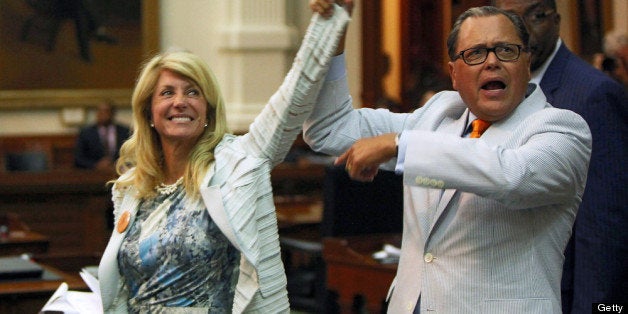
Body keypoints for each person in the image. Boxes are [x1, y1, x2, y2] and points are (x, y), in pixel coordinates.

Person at [308, 3, 591, 313]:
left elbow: (513, 175)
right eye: (475, 54)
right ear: (454, 74)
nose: (492, 62)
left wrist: (401, 146)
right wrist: (332, 30)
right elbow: (328, 129)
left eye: (506, 50)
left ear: (527, 62)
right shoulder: (440, 115)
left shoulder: (561, 128)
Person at [96, 5, 350, 313]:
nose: (180, 102)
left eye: (192, 92)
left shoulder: (236, 164)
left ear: (207, 110)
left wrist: (329, 20)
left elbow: (295, 93)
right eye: (167, 93)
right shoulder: (130, 187)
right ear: (149, 112)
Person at [492, 1, 628, 312]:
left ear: (557, 20)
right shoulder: (491, 89)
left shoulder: (592, 95)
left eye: (536, 16)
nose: (523, 29)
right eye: (512, 18)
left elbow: (603, 230)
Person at [74, 100, 130, 170]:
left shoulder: (124, 132)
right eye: (100, 111)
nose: (103, 114)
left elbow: (130, 156)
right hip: (93, 174)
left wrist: (117, 165)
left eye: (106, 111)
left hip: (120, 172)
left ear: (113, 113)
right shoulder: (86, 133)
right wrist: (96, 165)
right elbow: (79, 159)